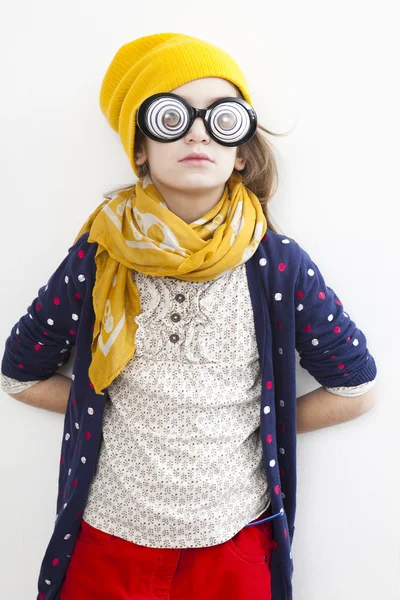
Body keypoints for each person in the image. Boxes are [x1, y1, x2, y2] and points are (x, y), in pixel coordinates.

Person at [0, 32, 378, 600]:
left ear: (241, 150)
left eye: (220, 117)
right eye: (172, 115)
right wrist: (101, 408)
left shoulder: (279, 265)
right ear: (140, 149)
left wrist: (260, 419)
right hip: (108, 541)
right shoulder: (99, 256)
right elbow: (20, 374)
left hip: (233, 545)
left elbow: (357, 388)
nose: (197, 131)